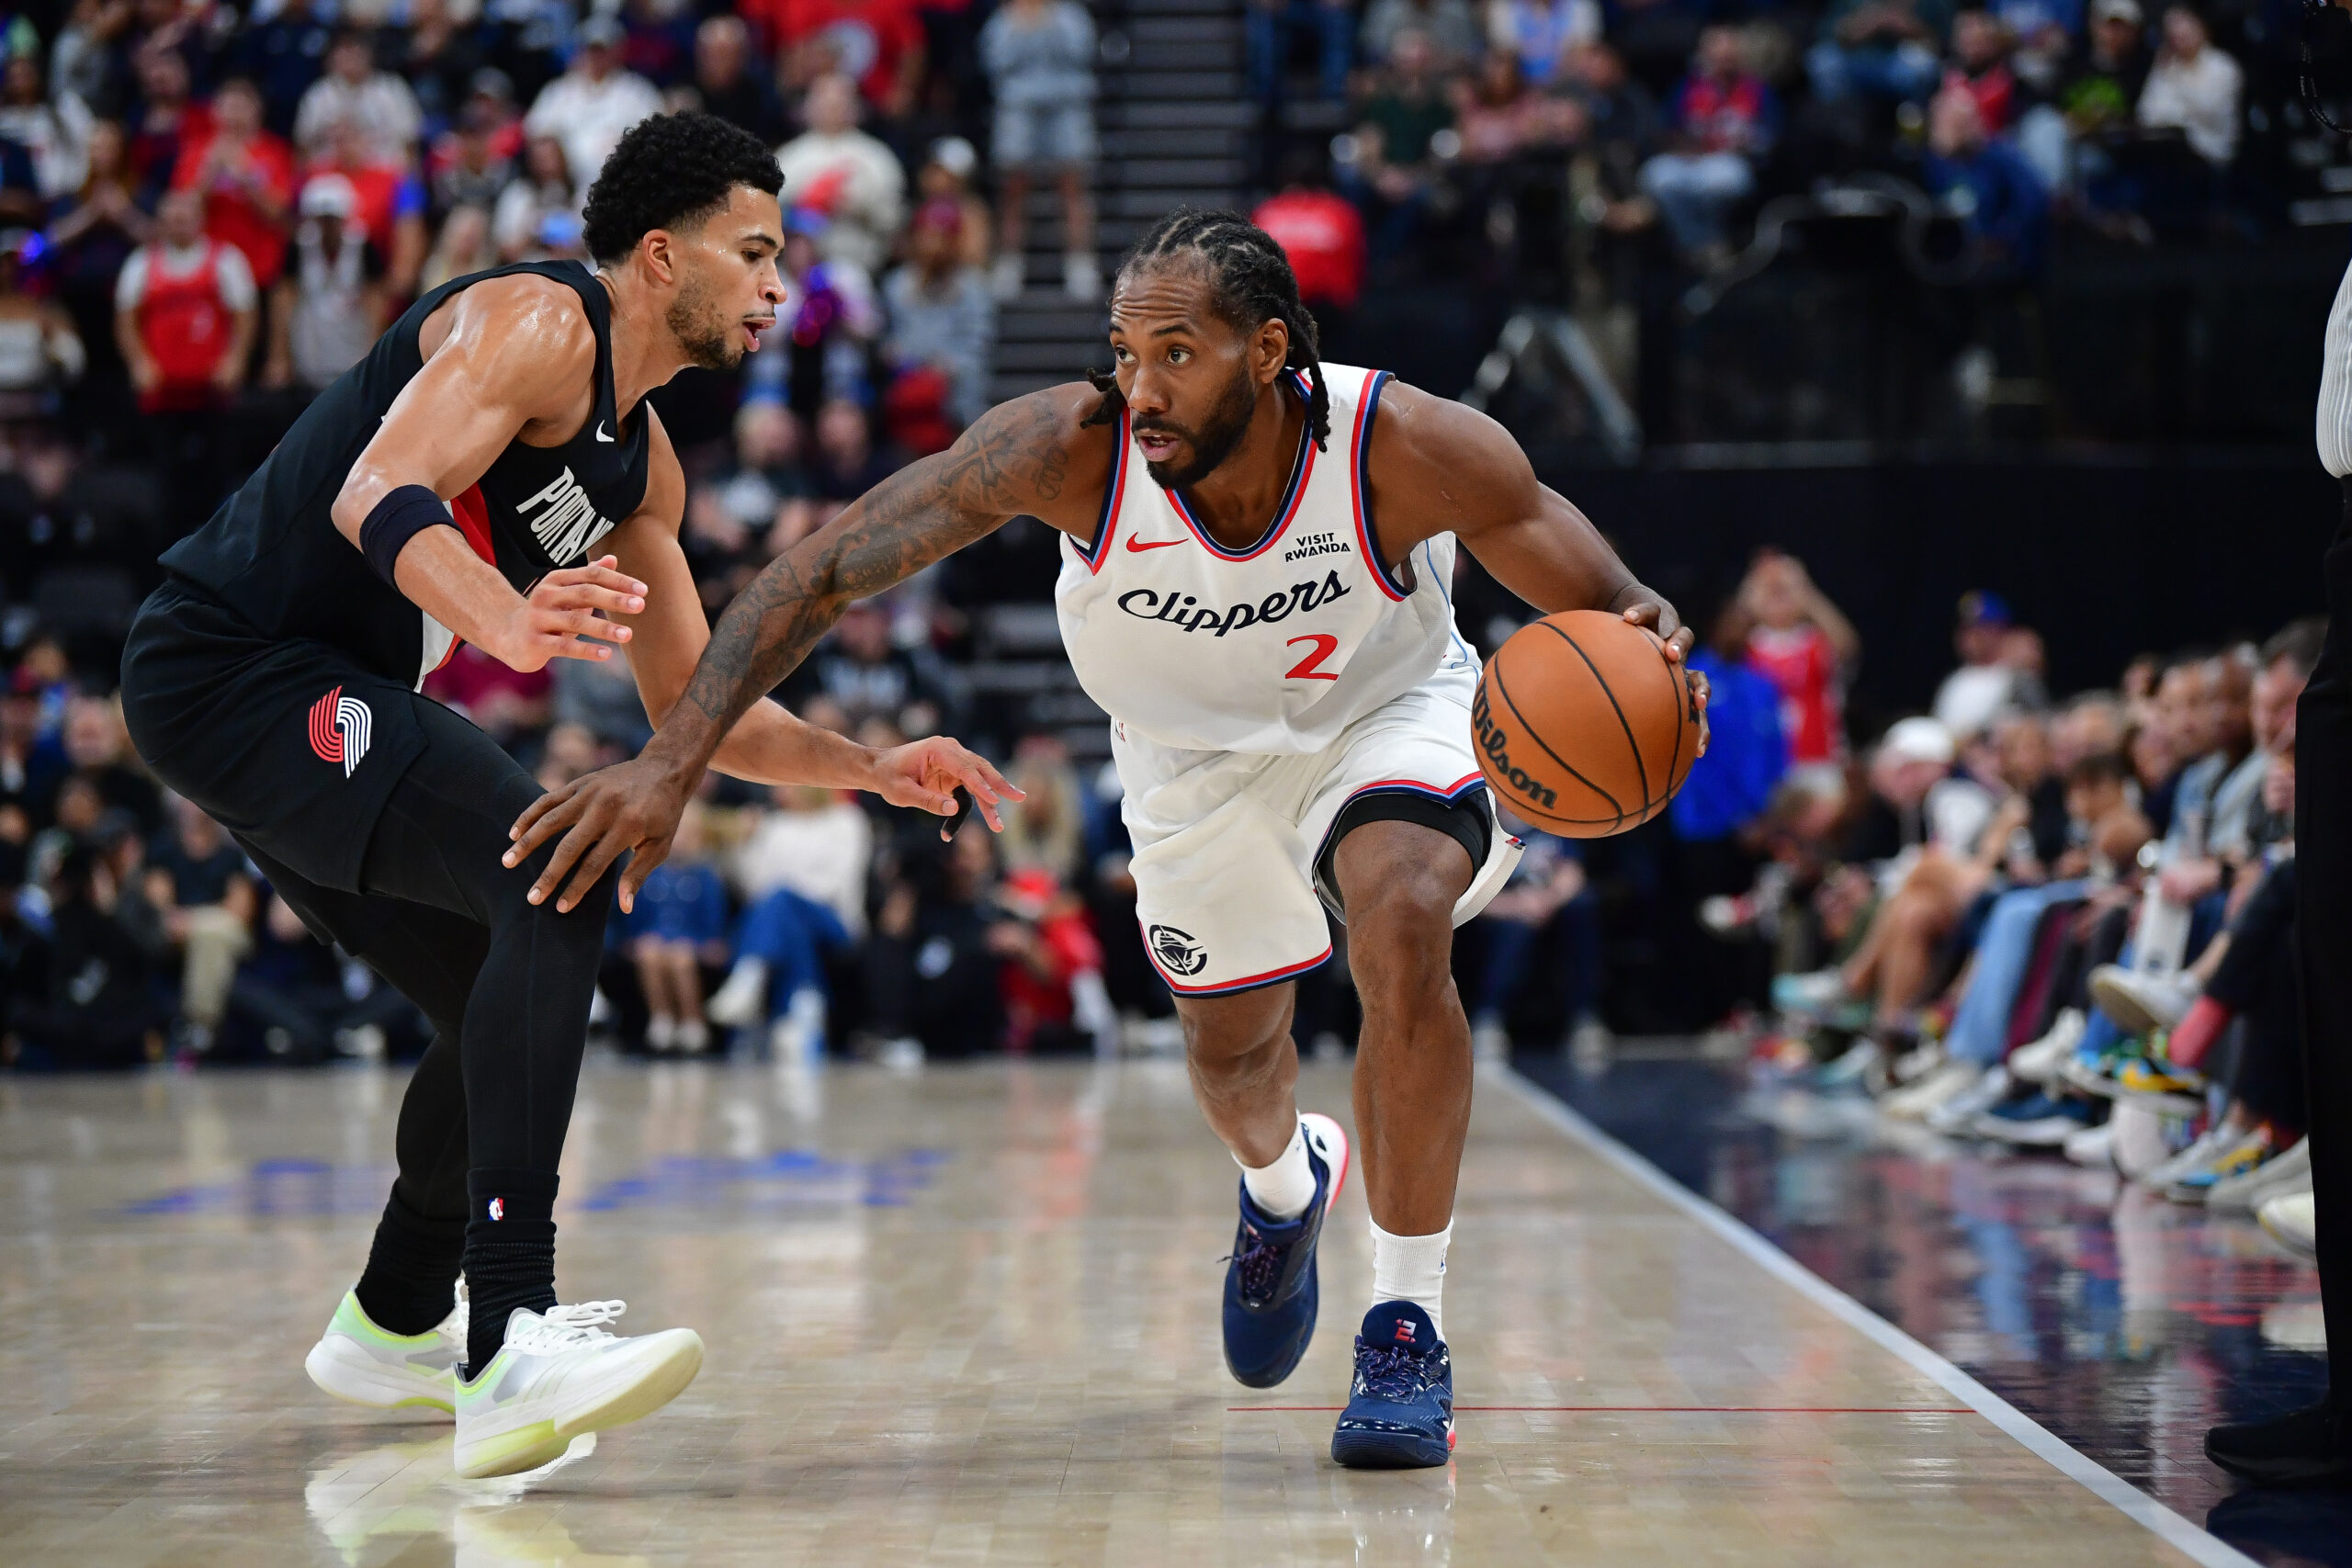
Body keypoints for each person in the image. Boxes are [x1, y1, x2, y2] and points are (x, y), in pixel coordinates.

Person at [508, 205, 1709, 1471]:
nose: (1140, 387)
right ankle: (1287, 1183)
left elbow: (1614, 601)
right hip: (1185, 766)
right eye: (1126, 353)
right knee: (1236, 1066)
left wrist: (1647, 629)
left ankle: (1405, 1321)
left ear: (1269, 350)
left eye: (1175, 353)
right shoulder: (1068, 447)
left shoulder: (1407, 446)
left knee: (1402, 915)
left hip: (1382, 716)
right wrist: (670, 759)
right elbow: (823, 573)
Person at [115, 113, 1012, 1482]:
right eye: (755, 252)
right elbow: (378, 490)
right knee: (561, 864)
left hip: (318, 704)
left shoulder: (639, 461)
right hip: (229, 663)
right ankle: (511, 1330)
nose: (781, 287)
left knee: (504, 971)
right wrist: (512, 624)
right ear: (662, 256)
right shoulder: (536, 320)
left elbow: (694, 710)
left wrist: (869, 768)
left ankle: (396, 1313)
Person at [980, 0, 1099, 300]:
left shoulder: (1070, 15)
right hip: (1019, 106)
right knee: (1013, 187)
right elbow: (994, 61)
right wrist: (1021, 29)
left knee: (1072, 185)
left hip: (1066, 104)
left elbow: (1081, 52)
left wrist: (1049, 25)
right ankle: (1009, 263)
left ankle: (1080, 264)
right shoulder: (1005, 18)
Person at [522, 16, 662, 192]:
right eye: (591, 49)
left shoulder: (637, 91)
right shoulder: (559, 91)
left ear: (618, 51)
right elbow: (535, 132)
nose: (597, 57)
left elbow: (655, 136)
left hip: (623, 186)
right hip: (566, 189)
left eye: (603, 50)